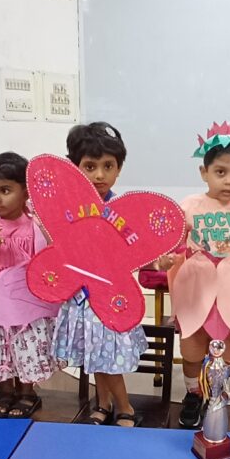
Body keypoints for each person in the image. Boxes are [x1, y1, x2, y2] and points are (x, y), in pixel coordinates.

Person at [160, 123, 230, 430]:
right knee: (192, 347)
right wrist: (165, 259)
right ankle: (194, 393)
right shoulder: (189, 206)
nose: (229, 180)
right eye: (220, 172)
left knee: (227, 348)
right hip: (196, 287)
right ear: (204, 172)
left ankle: (216, 392)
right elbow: (174, 245)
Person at [51, 122, 148, 427]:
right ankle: (103, 404)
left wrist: (156, 261)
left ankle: (125, 407)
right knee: (94, 354)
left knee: (108, 357)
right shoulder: (66, 210)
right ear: (75, 167)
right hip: (80, 297)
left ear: (119, 169)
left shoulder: (121, 209)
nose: (99, 175)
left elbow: (135, 248)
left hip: (111, 296)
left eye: (108, 166)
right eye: (90, 166)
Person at [0, 151, 58, 418]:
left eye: (5, 190)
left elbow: (51, 260)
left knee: (25, 347)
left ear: (25, 191)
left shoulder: (36, 226)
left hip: (26, 305)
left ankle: (27, 393)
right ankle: (4, 393)